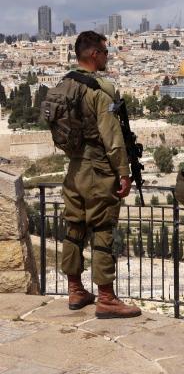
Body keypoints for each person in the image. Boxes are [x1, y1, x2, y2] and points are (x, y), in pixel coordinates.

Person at [60, 31, 141, 318]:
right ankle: (106, 298)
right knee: (103, 231)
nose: (107, 57)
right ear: (94, 54)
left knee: (73, 230)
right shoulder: (99, 90)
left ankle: (75, 289)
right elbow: (112, 136)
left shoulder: (64, 85)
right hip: (98, 170)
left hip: (74, 169)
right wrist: (123, 172)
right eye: (105, 53)